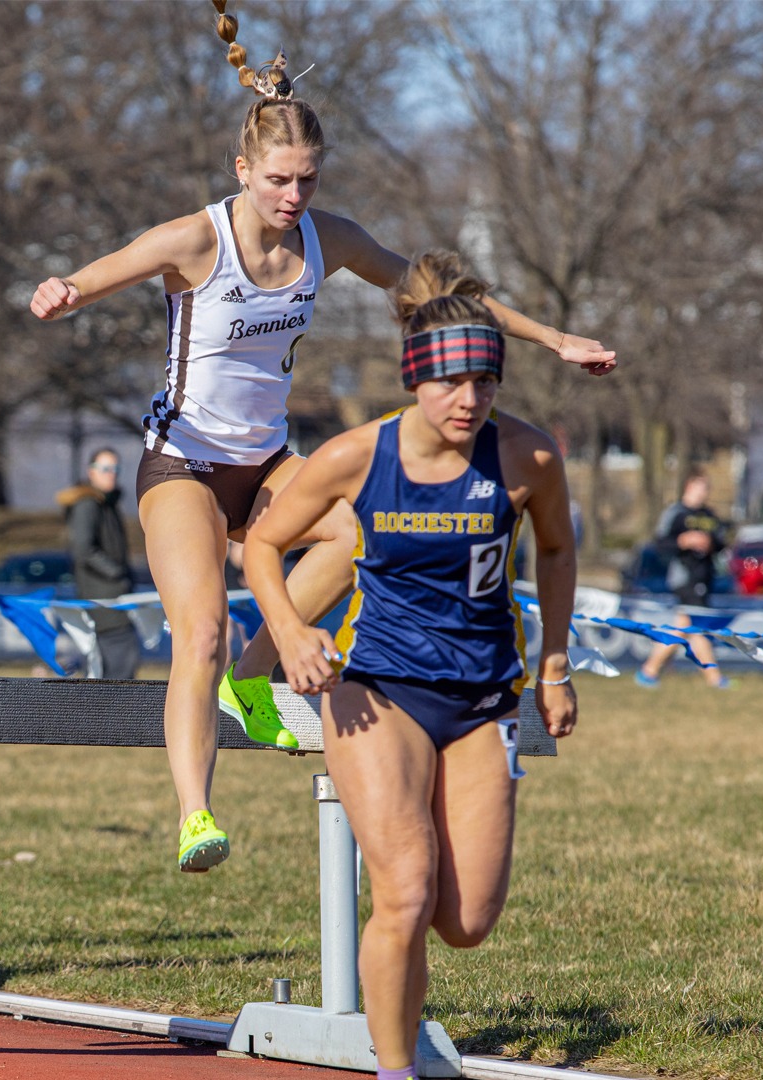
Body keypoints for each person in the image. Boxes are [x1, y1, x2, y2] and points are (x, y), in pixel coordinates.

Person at [27, 10, 613, 871]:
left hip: (268, 461)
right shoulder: (198, 238)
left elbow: (442, 294)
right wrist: (61, 290)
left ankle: (257, 673)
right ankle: (196, 813)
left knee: (360, 530)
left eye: (305, 179)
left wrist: (555, 340)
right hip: (184, 460)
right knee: (198, 633)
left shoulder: (325, 239)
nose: (291, 197)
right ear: (242, 170)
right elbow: (96, 272)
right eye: (276, 181)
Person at [242, 250, 579, 1080]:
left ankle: (403, 1015)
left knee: (465, 920)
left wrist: (557, 663)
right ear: (415, 380)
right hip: (377, 690)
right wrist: (289, 631)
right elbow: (264, 544)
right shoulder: (358, 456)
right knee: (403, 887)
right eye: (452, 385)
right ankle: (396, 1071)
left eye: (486, 386)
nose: (469, 402)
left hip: (484, 699)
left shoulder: (527, 459)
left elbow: (559, 547)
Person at [633, 474, 731, 689]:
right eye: (699, 487)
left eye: (706, 488)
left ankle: (650, 671)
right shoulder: (676, 513)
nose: (703, 492)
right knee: (690, 626)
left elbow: (722, 543)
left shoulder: (709, 516)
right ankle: (712, 678)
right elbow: (660, 543)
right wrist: (683, 541)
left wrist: (709, 543)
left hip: (704, 577)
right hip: (684, 577)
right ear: (688, 487)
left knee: (691, 628)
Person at [57, 448, 143, 680]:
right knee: (113, 676)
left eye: (116, 469)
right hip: (103, 602)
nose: (111, 474)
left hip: (115, 600)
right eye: (105, 469)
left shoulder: (108, 504)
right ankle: (108, 716)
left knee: (115, 672)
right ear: (91, 472)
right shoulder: (88, 504)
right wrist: (117, 573)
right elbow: (83, 550)